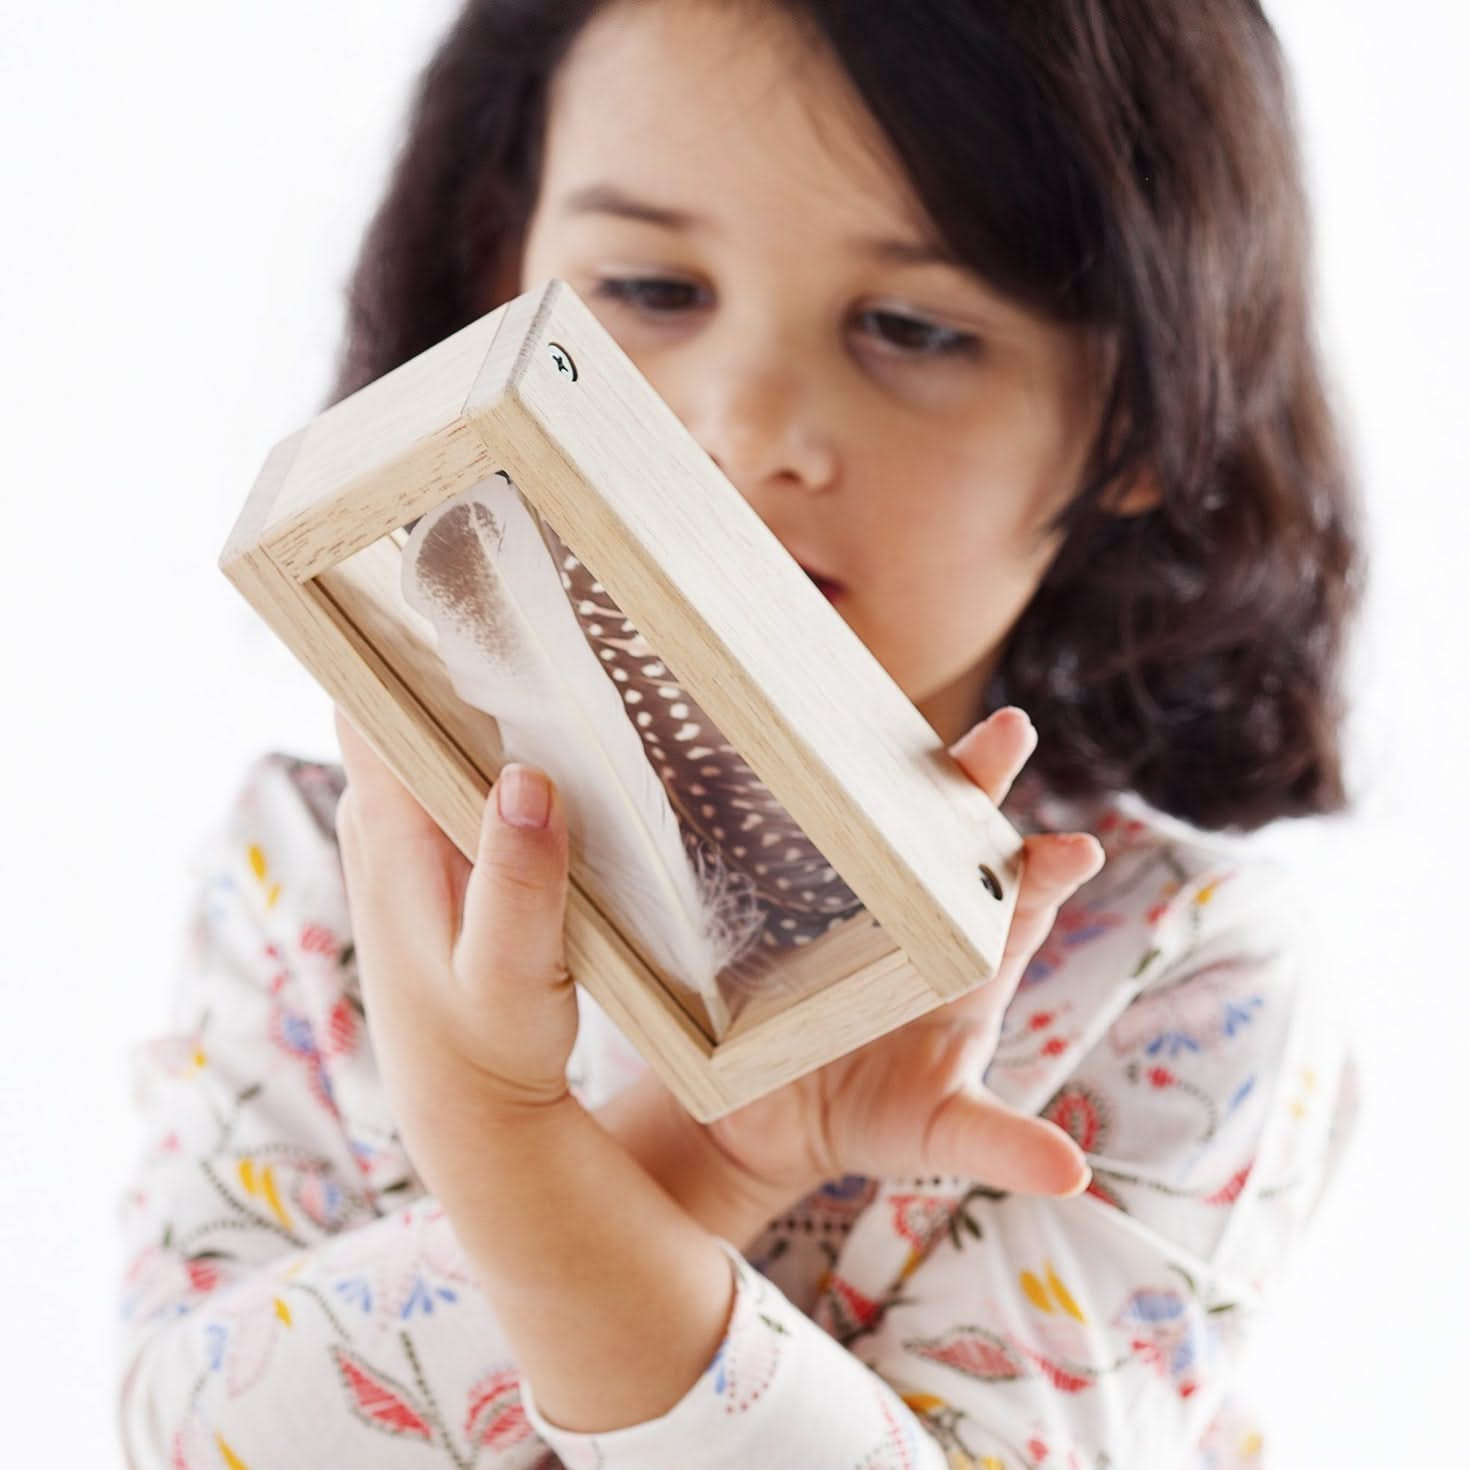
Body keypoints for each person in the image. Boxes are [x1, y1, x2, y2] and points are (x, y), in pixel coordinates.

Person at [116, 1, 1367, 1465]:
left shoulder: (1166, 969)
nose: (740, 420)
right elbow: (191, 1436)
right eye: (649, 285)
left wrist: (523, 1155)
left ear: (1142, 427)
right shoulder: (322, 870)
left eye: (911, 326)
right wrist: (660, 1155)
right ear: (491, 285)